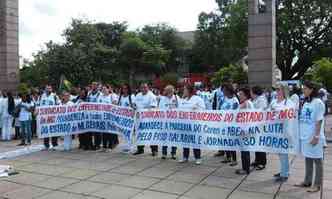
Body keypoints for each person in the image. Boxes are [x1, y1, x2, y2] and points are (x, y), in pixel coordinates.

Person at [295, 81, 325, 193]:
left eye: (305, 88)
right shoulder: (307, 102)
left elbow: (319, 120)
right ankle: (307, 181)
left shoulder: (318, 103)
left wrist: (316, 136)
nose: (303, 90)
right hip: (305, 136)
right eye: (303, 88)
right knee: (308, 158)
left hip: (314, 136)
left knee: (317, 160)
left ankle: (317, 185)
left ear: (312, 90)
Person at [270, 84, 294, 182]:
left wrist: (276, 114)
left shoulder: (289, 102)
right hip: (275, 131)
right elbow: (268, 112)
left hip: (285, 130)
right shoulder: (274, 101)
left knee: (283, 153)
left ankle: (285, 174)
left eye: (279, 89)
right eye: (276, 89)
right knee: (280, 153)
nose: (277, 91)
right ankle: (283, 171)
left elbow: (289, 115)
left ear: (284, 90)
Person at [178, 84, 205, 165]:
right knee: (185, 141)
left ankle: (198, 157)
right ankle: (185, 157)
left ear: (189, 90)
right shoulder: (183, 99)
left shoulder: (197, 99)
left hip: (194, 124)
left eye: (185, 89)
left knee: (195, 141)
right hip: (185, 124)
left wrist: (197, 109)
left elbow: (203, 110)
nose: (184, 91)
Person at [133, 83, 158, 156]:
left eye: (145, 87)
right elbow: (134, 104)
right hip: (139, 119)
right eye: (142, 87)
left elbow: (153, 107)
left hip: (149, 119)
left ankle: (154, 150)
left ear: (148, 88)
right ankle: (140, 149)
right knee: (139, 134)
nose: (143, 89)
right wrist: (134, 107)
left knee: (151, 134)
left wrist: (145, 112)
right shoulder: (138, 95)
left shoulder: (151, 96)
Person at [220, 83, 239, 166]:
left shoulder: (235, 100)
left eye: (224, 90)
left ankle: (234, 159)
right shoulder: (224, 99)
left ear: (228, 90)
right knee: (225, 141)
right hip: (223, 124)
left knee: (231, 142)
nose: (223, 92)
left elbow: (235, 113)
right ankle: (228, 157)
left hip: (231, 125)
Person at [235, 87, 254, 175]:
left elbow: (250, 117)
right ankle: (245, 167)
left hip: (245, 130)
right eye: (239, 94)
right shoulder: (243, 103)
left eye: (241, 94)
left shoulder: (248, 104)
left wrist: (245, 129)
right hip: (242, 129)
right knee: (243, 149)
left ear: (246, 95)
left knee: (245, 150)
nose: (239, 95)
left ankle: (246, 169)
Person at [251, 86, 269, 170]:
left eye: (252, 92)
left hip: (260, 125)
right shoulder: (255, 100)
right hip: (255, 124)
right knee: (256, 143)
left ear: (255, 92)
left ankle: (262, 162)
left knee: (260, 144)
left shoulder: (261, 100)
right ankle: (257, 160)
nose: (250, 94)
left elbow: (260, 112)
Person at [158, 85, 179, 160]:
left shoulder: (176, 98)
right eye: (168, 91)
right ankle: (164, 153)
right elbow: (160, 109)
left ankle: (173, 153)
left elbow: (180, 108)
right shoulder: (163, 99)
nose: (170, 93)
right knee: (165, 138)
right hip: (165, 122)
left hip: (174, 122)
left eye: (171, 91)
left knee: (174, 138)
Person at [39, 85, 60, 150]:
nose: (48, 89)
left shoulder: (55, 96)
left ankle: (55, 145)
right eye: (47, 88)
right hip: (44, 117)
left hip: (53, 116)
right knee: (46, 131)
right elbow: (39, 105)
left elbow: (58, 105)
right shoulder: (42, 96)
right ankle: (46, 145)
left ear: (51, 89)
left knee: (53, 130)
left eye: (50, 88)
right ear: (45, 89)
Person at [118, 84, 136, 153]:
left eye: (126, 88)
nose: (124, 90)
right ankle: (126, 146)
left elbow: (134, 106)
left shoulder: (131, 97)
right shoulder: (120, 97)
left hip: (129, 118)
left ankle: (130, 147)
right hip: (122, 117)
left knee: (129, 133)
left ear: (128, 89)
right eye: (123, 89)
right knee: (124, 133)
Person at [98, 86, 116, 152]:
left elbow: (114, 105)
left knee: (110, 132)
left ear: (108, 89)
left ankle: (110, 146)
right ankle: (104, 146)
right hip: (102, 117)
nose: (104, 90)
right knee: (104, 132)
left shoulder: (112, 96)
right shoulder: (100, 96)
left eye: (105, 89)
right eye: (103, 89)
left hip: (110, 117)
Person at [87, 82, 102, 150]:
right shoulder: (89, 93)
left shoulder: (100, 94)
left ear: (97, 86)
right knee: (89, 130)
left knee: (97, 130)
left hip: (97, 114)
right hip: (90, 114)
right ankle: (90, 144)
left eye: (95, 85)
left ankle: (97, 144)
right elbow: (87, 102)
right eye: (93, 85)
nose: (94, 86)